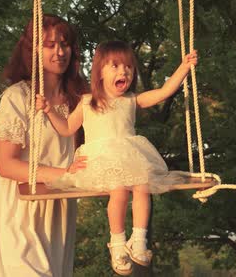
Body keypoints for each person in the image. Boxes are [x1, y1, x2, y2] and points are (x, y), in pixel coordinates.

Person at [36, 40, 197, 275]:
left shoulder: (131, 100)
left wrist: (183, 68)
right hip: (100, 160)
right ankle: (118, 243)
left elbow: (163, 92)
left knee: (142, 186)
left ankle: (139, 240)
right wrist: (49, 110)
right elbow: (67, 128)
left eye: (129, 67)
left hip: (130, 156)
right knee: (119, 190)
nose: (124, 72)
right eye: (115, 66)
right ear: (100, 72)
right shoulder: (87, 102)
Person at [0, 14, 88, 277]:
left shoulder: (79, 100)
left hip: (58, 210)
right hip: (18, 206)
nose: (59, 52)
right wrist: (66, 175)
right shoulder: (18, 97)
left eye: (65, 43)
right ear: (33, 50)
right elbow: (6, 164)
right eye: (49, 45)